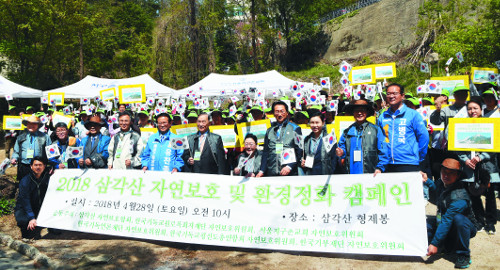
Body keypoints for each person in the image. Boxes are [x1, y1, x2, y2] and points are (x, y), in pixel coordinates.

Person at [453, 97, 498, 234]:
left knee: (490, 194)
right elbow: (457, 145)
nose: (472, 111)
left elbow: (495, 146)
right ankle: (479, 220)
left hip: (486, 165)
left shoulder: (490, 123)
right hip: (469, 165)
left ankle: (490, 223)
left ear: (481, 109)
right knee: (473, 193)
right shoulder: (461, 124)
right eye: (470, 109)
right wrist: (465, 159)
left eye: (475, 108)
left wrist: (480, 157)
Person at [425, 158, 477, 269]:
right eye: (444, 172)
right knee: (423, 224)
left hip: (462, 226)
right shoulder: (441, 182)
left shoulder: (460, 197)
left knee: (459, 220)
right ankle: (445, 244)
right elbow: (436, 189)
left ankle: (464, 255)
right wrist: (427, 181)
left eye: (451, 173)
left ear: (458, 176)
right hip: (443, 221)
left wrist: (435, 244)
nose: (446, 176)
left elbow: (447, 220)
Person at [375, 83, 429, 174]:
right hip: (387, 164)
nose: (391, 96)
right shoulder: (382, 117)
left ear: (402, 96)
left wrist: (418, 156)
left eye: (395, 93)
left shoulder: (413, 115)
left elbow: (424, 137)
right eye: (388, 94)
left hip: (409, 163)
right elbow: (380, 140)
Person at [336, 99, 387, 174]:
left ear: (367, 112)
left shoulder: (376, 130)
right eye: (357, 110)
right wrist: (341, 152)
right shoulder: (347, 132)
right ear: (353, 112)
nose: (359, 113)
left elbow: (383, 152)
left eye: (362, 110)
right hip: (351, 173)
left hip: (371, 173)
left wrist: (379, 168)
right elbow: (342, 148)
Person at [256, 101, 302, 177]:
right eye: (277, 111)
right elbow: (266, 152)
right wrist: (262, 170)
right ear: (273, 114)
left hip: (289, 172)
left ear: (287, 113)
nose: (279, 114)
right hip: (272, 171)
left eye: (282, 111)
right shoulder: (269, 131)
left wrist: (289, 166)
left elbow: (299, 151)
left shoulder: (295, 128)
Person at [14, 157, 53, 240]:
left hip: (39, 207)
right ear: (31, 166)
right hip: (24, 208)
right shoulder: (25, 181)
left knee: (55, 229)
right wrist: (31, 218)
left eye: (40, 165)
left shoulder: (47, 178)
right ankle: (27, 229)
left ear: (44, 166)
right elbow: (25, 201)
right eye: (35, 165)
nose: (38, 167)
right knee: (25, 223)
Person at [11, 115, 51, 181]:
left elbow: (50, 152)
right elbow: (16, 151)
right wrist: (14, 158)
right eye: (29, 123)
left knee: (39, 186)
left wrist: (51, 164)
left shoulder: (45, 137)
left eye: (34, 124)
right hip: (24, 166)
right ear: (26, 124)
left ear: (38, 125)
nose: (31, 125)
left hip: (39, 166)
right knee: (25, 186)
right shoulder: (20, 137)